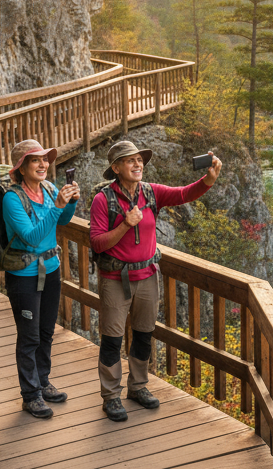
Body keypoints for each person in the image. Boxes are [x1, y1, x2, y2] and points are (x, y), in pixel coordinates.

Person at [90, 139, 222, 421]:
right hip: (115, 278)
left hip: (148, 275)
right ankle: (111, 396)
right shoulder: (104, 200)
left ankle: (138, 386)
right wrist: (126, 224)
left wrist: (208, 180)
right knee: (112, 340)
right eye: (130, 160)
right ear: (116, 168)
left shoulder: (151, 192)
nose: (138, 164)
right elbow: (98, 243)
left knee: (143, 334)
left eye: (139, 160)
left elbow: (184, 194)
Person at [3, 139, 81, 419]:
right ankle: (31, 395)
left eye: (44, 159)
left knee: (46, 331)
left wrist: (69, 203)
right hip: (24, 275)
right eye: (35, 160)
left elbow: (61, 221)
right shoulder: (12, 198)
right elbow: (32, 237)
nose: (43, 164)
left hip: (51, 269)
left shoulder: (48, 189)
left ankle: (43, 381)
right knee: (29, 336)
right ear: (21, 168)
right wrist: (57, 206)